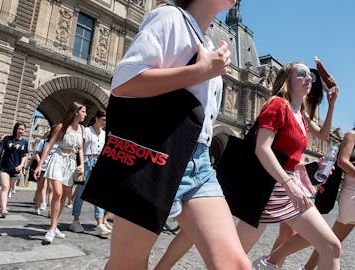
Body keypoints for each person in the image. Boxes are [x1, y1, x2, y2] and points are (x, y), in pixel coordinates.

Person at [85, 1, 251, 269]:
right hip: (155, 157)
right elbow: (124, 82)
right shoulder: (170, 17)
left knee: (236, 264)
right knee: (128, 265)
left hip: (199, 162)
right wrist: (200, 71)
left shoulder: (208, 43)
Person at [229, 62, 341, 270]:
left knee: (331, 246)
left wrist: (332, 104)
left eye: (311, 76)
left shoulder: (302, 116)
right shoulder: (278, 104)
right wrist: (290, 185)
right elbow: (262, 148)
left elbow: (324, 136)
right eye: (302, 74)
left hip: (289, 189)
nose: (309, 79)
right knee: (232, 260)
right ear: (288, 81)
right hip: (268, 190)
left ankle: (267, 263)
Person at [261, 127, 355, 270]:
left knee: (330, 243)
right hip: (286, 182)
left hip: (293, 181)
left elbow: (322, 134)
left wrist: (330, 108)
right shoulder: (352, 135)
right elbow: (341, 160)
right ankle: (271, 262)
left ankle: (273, 263)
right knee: (330, 242)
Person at [33, 101, 86, 243]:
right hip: (58, 159)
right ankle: (51, 229)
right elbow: (49, 146)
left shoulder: (82, 129)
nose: (85, 114)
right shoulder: (61, 127)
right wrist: (39, 165)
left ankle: (55, 225)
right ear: (75, 112)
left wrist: (81, 165)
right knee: (58, 193)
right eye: (83, 112)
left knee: (64, 197)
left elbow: (80, 148)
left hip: (71, 163)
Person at [69, 110, 112, 235]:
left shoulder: (104, 134)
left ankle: (99, 223)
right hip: (88, 161)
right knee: (81, 192)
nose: (105, 122)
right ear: (97, 119)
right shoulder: (86, 131)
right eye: (103, 119)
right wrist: (80, 164)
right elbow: (80, 148)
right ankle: (75, 220)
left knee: (98, 193)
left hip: (99, 163)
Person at [0, 123, 28, 218]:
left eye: (22, 129)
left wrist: (21, 166)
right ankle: (4, 209)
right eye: (19, 129)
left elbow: (24, 155)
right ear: (15, 129)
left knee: (9, 188)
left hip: (16, 169)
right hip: (5, 167)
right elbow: (0, 150)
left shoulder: (24, 142)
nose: (20, 131)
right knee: (5, 187)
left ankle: (1, 205)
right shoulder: (7, 139)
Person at [33, 128, 56, 215]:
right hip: (43, 167)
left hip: (53, 167)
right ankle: (36, 205)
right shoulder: (44, 142)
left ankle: (50, 209)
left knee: (51, 188)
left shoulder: (59, 143)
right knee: (40, 187)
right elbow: (36, 153)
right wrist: (40, 163)